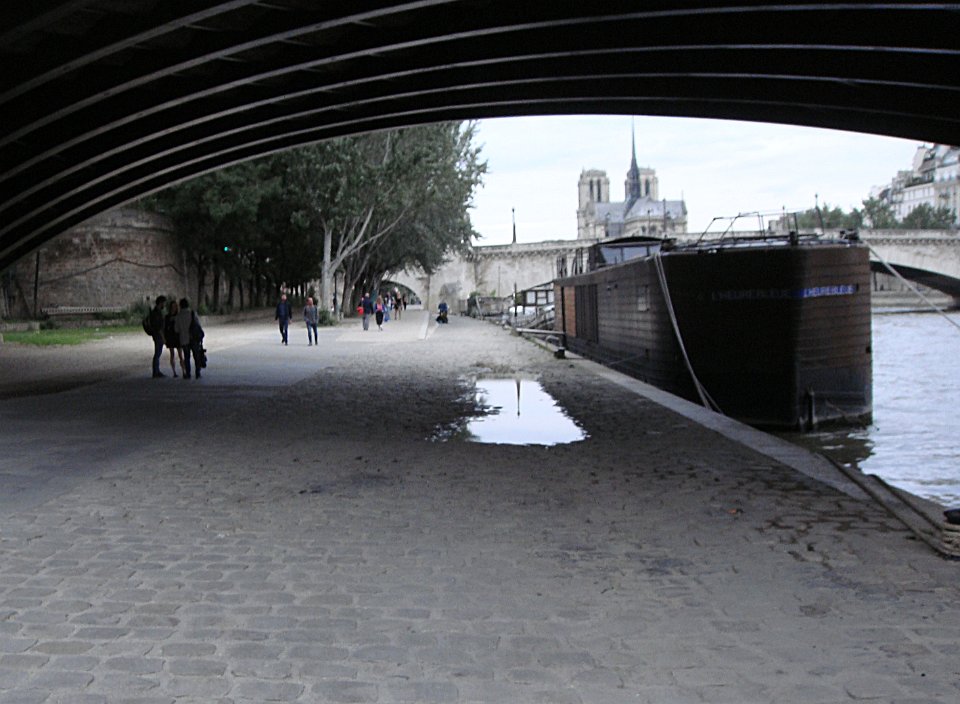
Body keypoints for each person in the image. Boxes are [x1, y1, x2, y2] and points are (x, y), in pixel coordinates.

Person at [175, 298, 204, 379]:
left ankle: (188, 373)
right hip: (193, 338)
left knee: (186, 357)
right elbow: (198, 325)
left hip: (184, 339)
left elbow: (176, 329)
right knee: (196, 356)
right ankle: (197, 373)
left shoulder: (178, 316)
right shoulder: (193, 313)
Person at [163, 298, 183, 378]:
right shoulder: (167, 317)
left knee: (180, 354)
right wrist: (165, 338)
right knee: (172, 354)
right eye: (173, 306)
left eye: (175, 306)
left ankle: (183, 370)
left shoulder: (178, 316)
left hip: (177, 336)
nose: (174, 308)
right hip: (170, 336)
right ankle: (174, 372)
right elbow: (165, 328)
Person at [148, 295, 166, 377]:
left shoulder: (155, 312)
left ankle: (156, 370)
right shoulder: (157, 313)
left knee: (158, 353)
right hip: (158, 335)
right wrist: (163, 337)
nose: (164, 305)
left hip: (156, 335)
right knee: (157, 353)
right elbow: (158, 327)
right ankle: (156, 371)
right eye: (163, 303)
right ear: (160, 303)